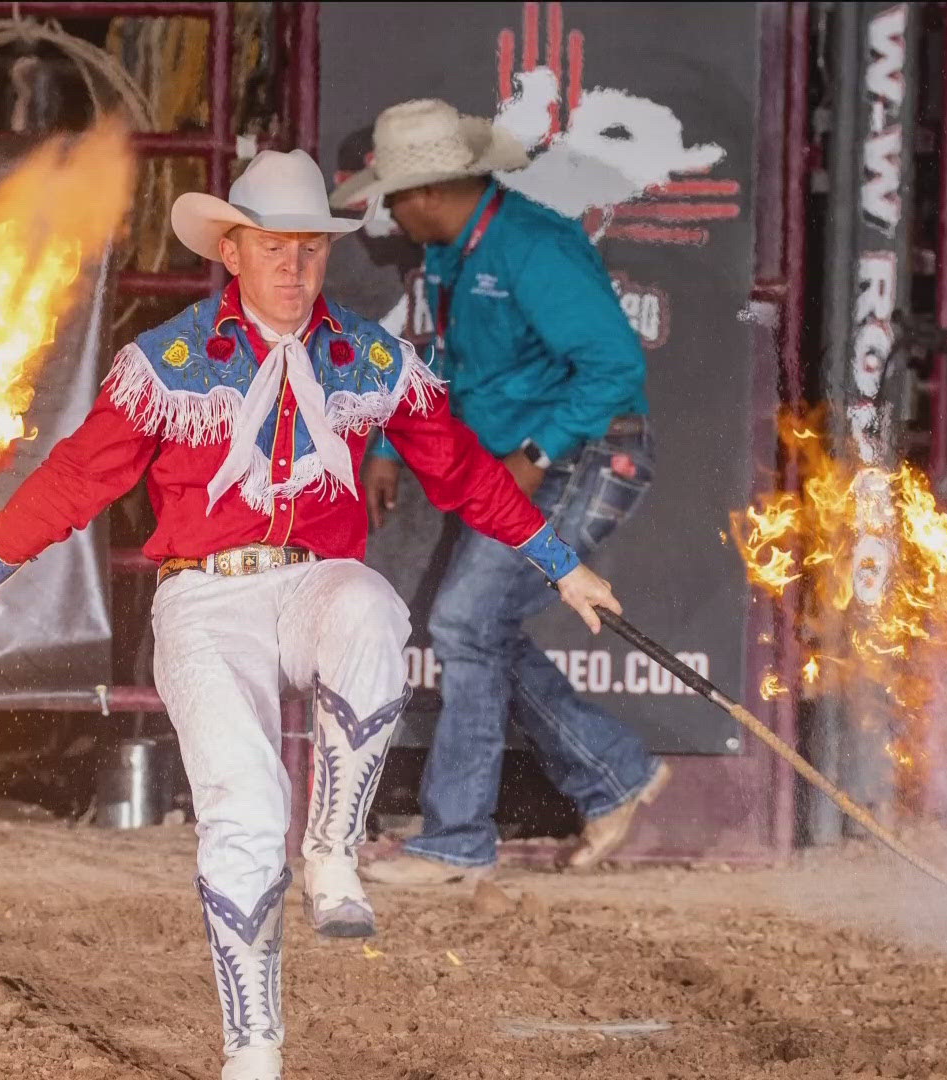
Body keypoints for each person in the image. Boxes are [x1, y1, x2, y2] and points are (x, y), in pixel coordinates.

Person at [0, 149, 620, 1080]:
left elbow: (458, 468)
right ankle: (253, 1050)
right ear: (233, 251)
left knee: (372, 610)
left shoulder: (368, 357)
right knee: (245, 813)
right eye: (273, 249)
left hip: (312, 586)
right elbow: (78, 478)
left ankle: (333, 848)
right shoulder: (170, 362)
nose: (293, 270)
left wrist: (560, 563)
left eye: (310, 250)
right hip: (206, 600)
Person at [330, 99, 668, 885]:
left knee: (463, 622)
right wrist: (388, 440)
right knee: (474, 629)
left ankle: (458, 839)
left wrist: (537, 453)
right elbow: (450, 362)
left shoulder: (530, 248)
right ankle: (611, 771)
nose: (390, 214)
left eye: (392, 196)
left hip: (587, 454)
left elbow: (615, 366)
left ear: (426, 193)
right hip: (543, 457)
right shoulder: (457, 252)